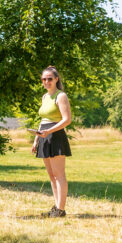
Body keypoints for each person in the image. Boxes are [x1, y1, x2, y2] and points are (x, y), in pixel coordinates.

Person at [32, 66, 72, 218]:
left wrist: (49, 131)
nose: (47, 81)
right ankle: (56, 207)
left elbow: (67, 119)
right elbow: (43, 120)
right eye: (44, 79)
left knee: (59, 175)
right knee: (51, 175)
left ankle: (61, 210)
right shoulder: (44, 97)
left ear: (56, 79)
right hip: (44, 136)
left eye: (50, 79)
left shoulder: (60, 96)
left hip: (55, 136)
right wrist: (36, 139)